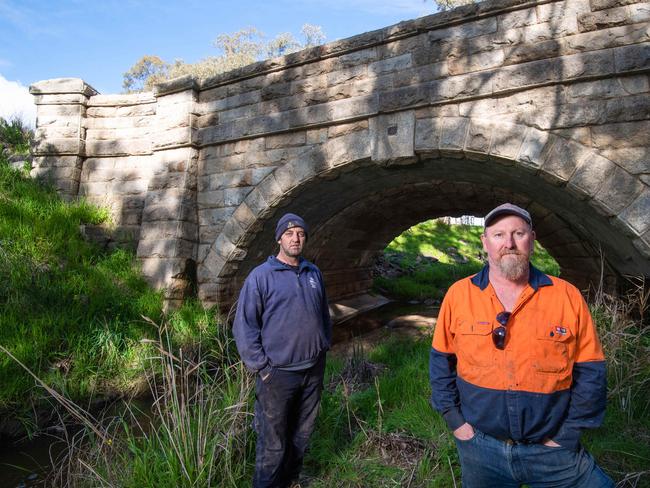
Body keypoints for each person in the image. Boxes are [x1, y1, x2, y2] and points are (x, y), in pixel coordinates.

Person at [429, 203, 614, 488]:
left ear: (533, 239)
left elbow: (591, 372)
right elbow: (441, 364)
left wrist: (568, 435)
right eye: (499, 235)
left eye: (519, 233)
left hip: (554, 452)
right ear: (485, 242)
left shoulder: (567, 296)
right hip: (480, 450)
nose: (510, 243)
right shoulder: (458, 295)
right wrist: (457, 424)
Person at [233, 212, 331, 488]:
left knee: (301, 434)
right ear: (279, 238)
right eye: (289, 234)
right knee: (273, 443)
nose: (296, 238)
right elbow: (244, 327)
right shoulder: (261, 277)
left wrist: (324, 345)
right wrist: (262, 369)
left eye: (300, 234)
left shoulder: (313, 272)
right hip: (277, 375)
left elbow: (323, 313)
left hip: (312, 370)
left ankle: (291, 481)